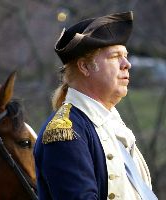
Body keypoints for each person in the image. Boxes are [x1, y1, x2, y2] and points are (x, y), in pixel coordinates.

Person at [34, 11, 158, 199]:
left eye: (125, 55)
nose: (126, 64)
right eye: (115, 56)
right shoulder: (65, 132)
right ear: (84, 66)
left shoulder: (113, 125)